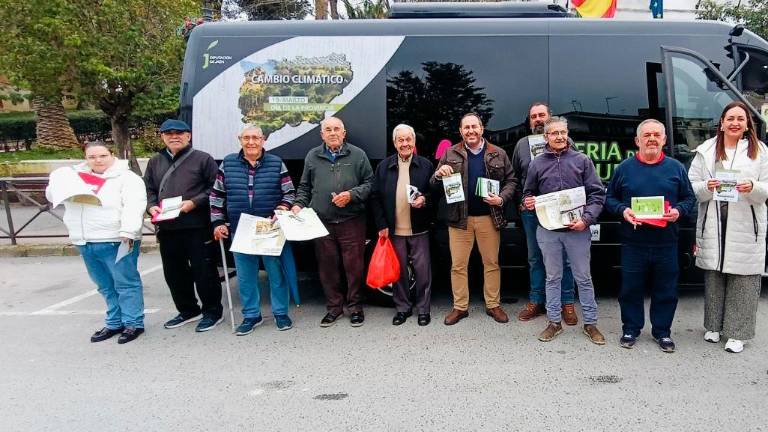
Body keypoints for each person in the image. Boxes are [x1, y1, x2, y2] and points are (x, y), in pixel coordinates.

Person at [605, 119, 696, 352]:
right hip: (633, 242)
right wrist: (622, 210)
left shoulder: (676, 168)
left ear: (664, 140)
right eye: (647, 135)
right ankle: (631, 329)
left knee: (665, 290)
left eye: (657, 134)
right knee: (630, 289)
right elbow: (610, 198)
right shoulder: (624, 168)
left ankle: (662, 332)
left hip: (666, 242)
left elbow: (688, 198)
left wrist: (678, 211)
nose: (652, 139)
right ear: (638, 140)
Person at [46, 141, 147, 344]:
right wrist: (58, 182)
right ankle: (114, 322)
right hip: (85, 239)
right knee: (105, 285)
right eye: (92, 157)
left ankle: (133, 323)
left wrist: (128, 231)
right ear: (85, 157)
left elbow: (135, 205)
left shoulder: (127, 178)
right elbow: (53, 196)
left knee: (126, 284)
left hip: (115, 239)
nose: (97, 161)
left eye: (102, 156)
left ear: (111, 155)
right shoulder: (75, 176)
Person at [688, 101, 768, 353]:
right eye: (730, 118)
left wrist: (753, 188)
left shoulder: (760, 151)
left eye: (740, 119)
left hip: (746, 222)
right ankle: (713, 326)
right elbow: (691, 185)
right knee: (715, 275)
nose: (735, 123)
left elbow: (766, 188)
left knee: (743, 279)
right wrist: (706, 187)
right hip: (714, 220)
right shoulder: (706, 150)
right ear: (721, 123)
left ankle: (738, 333)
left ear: (747, 124)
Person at [523, 117, 606, 344]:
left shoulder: (582, 160)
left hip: (578, 230)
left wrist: (586, 220)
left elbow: (598, 194)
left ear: (567, 134)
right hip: (548, 230)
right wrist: (529, 201)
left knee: (584, 278)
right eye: (554, 133)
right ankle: (553, 322)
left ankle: (590, 323)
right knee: (553, 278)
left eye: (563, 132)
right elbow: (527, 193)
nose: (559, 137)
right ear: (546, 137)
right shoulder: (537, 164)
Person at [210, 124, 296, 335]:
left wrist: (281, 209)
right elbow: (216, 196)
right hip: (241, 228)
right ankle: (251, 316)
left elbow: (289, 193)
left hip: (270, 227)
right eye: (246, 138)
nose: (251, 142)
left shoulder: (276, 163)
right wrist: (217, 222)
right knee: (246, 276)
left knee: (276, 274)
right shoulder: (228, 164)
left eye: (255, 138)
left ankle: (281, 313)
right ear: (240, 140)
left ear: (263, 140)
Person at [430, 113, 515, 325]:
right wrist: (439, 174)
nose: (471, 131)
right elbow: (433, 184)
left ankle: (493, 304)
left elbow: (512, 181)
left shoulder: (498, 153)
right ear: (460, 131)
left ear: (482, 128)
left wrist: (501, 198)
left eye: (474, 126)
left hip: (489, 217)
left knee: (492, 263)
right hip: (460, 219)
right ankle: (460, 307)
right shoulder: (450, 153)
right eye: (466, 127)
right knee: (458, 265)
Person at [291, 117, 374, 327]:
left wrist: (351, 195)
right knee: (327, 268)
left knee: (354, 267)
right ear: (322, 135)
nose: (333, 133)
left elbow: (370, 183)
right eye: (328, 129)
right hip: (322, 222)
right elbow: (304, 187)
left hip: (352, 220)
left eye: (337, 129)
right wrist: (298, 205)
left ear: (344, 133)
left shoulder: (357, 155)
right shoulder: (313, 156)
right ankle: (334, 307)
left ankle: (355, 307)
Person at [144, 119, 223, 332]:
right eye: (168, 133)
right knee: (174, 273)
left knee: (204, 272)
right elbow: (149, 190)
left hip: (197, 225)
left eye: (179, 132)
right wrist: (151, 207)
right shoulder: (155, 162)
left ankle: (212, 312)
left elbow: (215, 189)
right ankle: (188, 310)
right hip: (167, 228)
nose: (174, 136)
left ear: (189, 135)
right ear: (162, 136)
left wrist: (193, 203)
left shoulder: (202, 159)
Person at [512, 102, 577, 324]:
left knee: (565, 258)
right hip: (532, 212)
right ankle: (536, 300)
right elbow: (516, 177)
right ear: (530, 122)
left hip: (560, 210)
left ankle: (567, 303)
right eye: (534, 117)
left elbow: (576, 173)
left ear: (549, 118)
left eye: (542, 115)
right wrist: (522, 201)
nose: (538, 119)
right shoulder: (521, 145)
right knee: (535, 257)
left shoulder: (567, 142)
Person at [371, 124, 435, 326]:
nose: (405, 143)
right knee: (398, 272)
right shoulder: (384, 166)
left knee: (423, 271)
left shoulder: (426, 165)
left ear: (414, 142)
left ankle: (423, 309)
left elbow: (437, 194)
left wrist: (425, 199)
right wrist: (381, 224)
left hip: (419, 228)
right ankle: (402, 308)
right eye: (401, 140)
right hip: (394, 229)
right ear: (394, 143)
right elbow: (375, 197)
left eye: (408, 139)